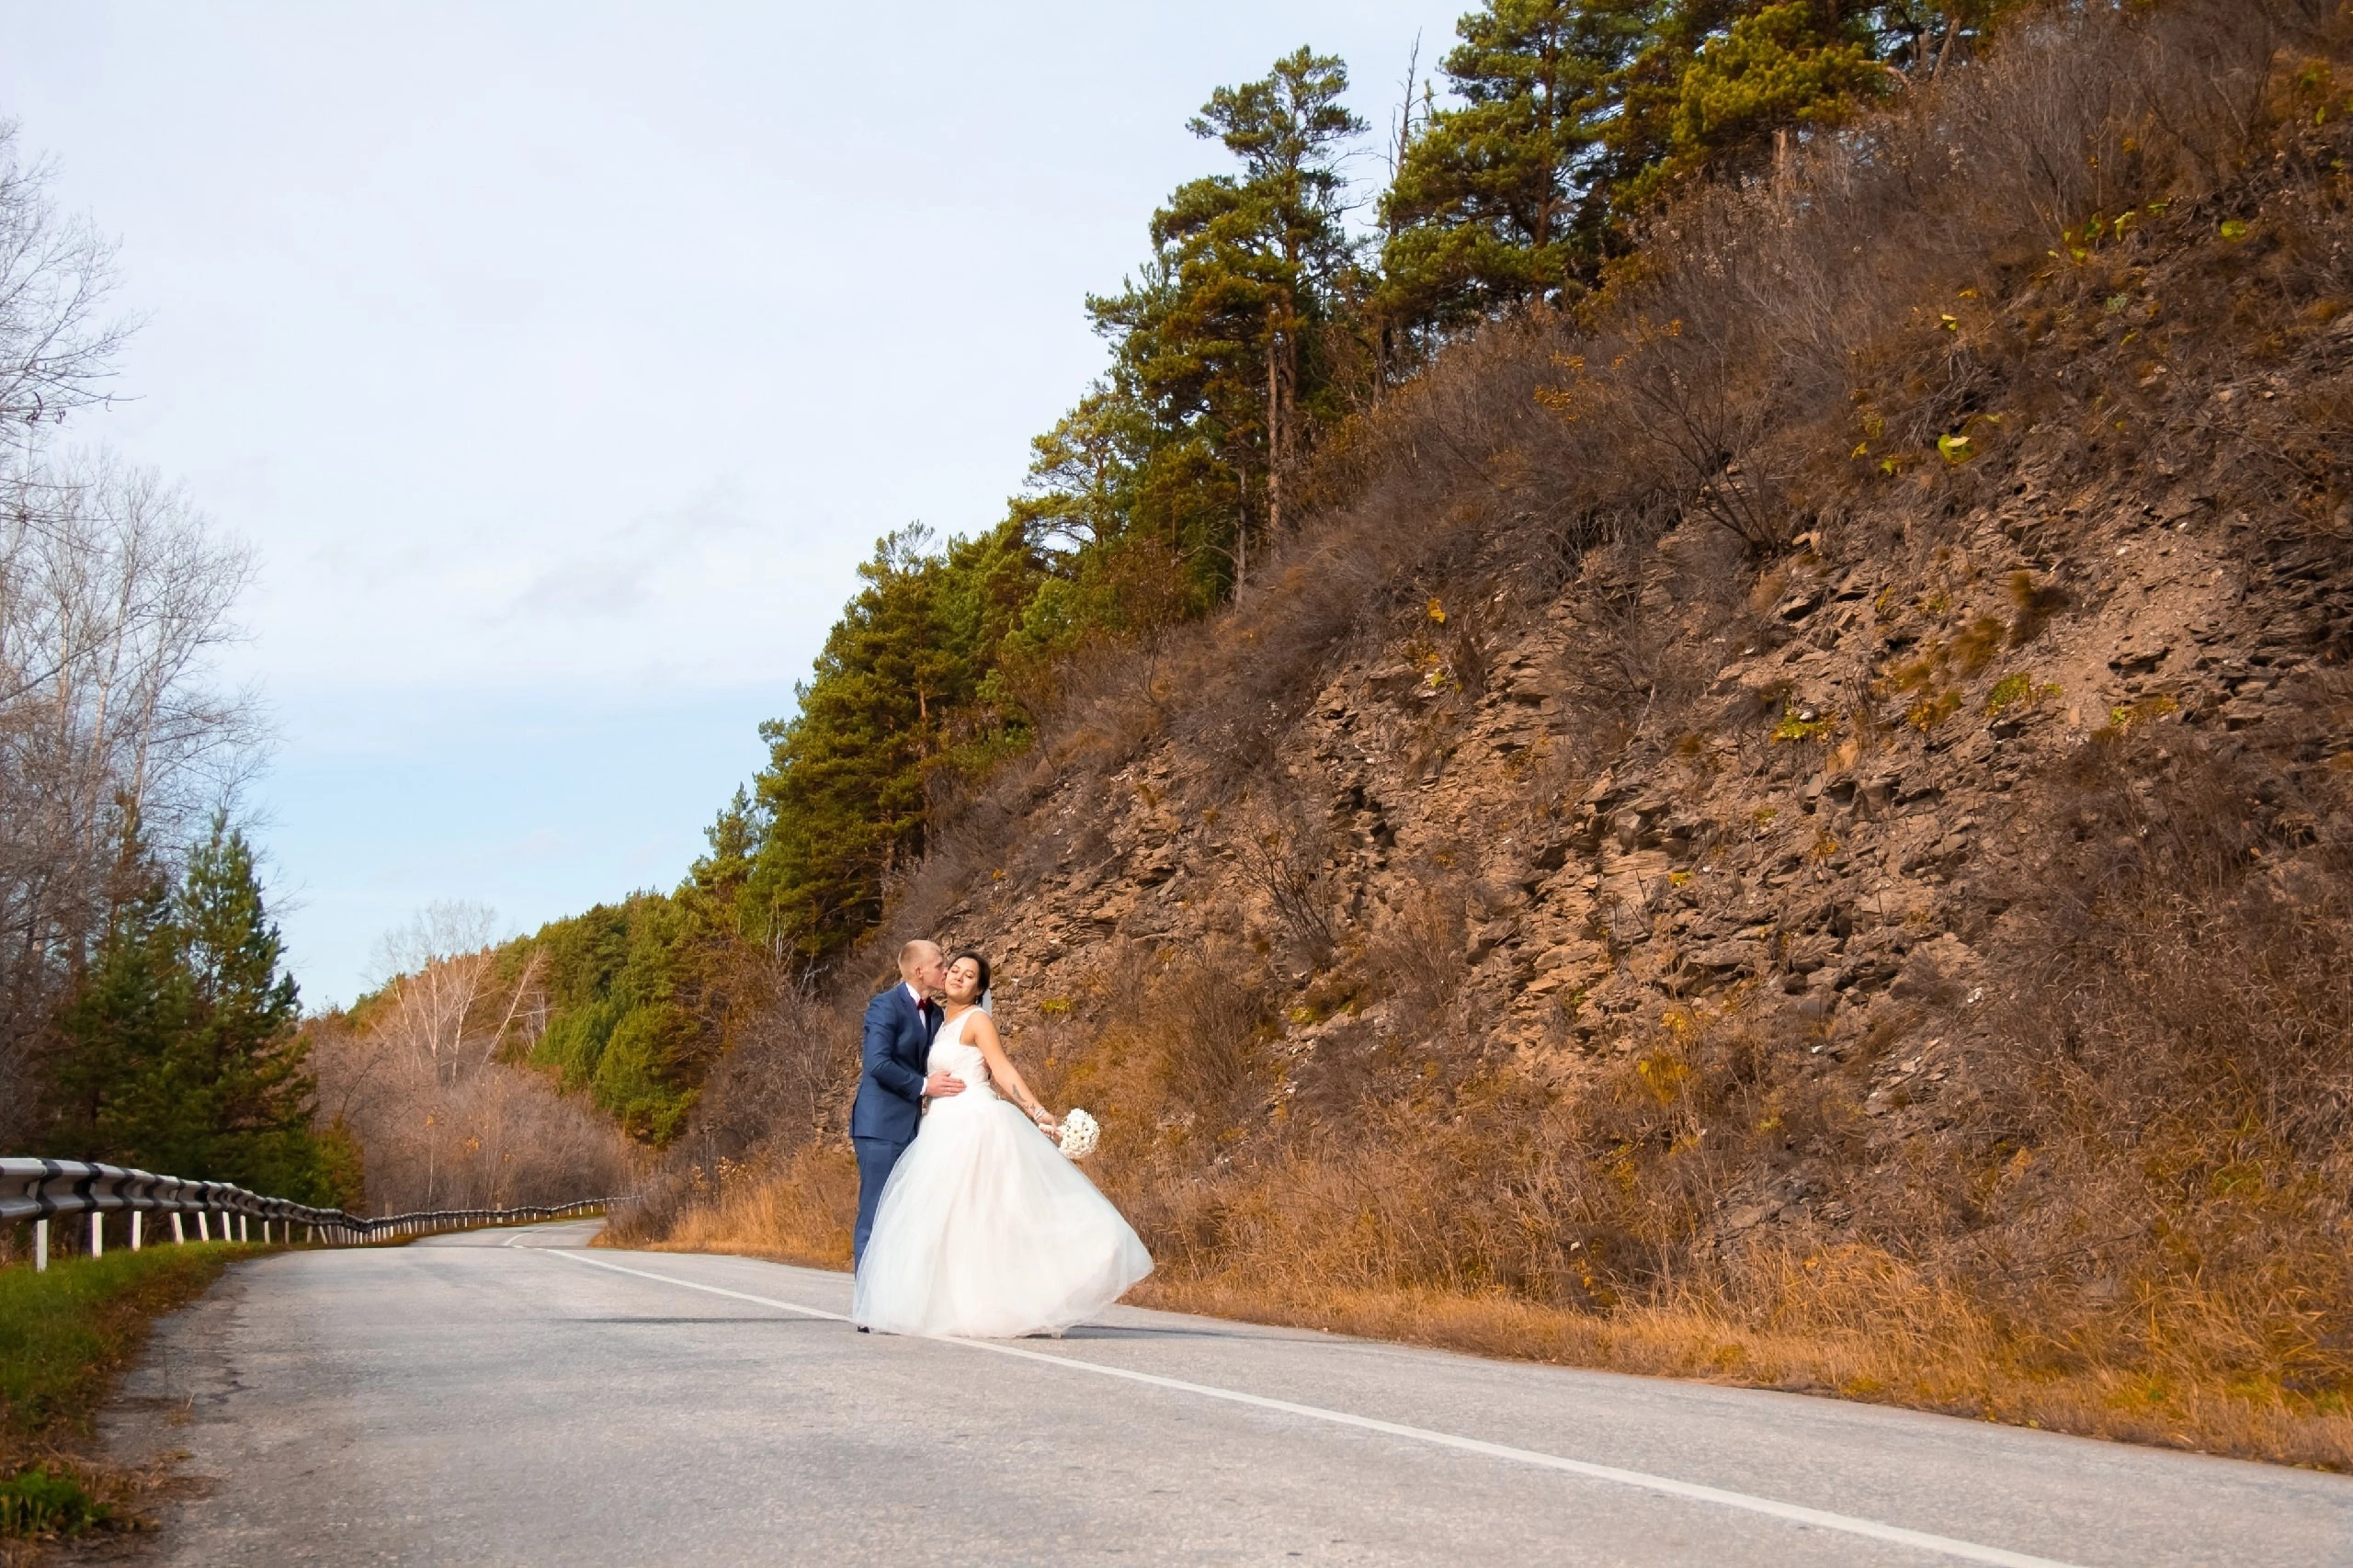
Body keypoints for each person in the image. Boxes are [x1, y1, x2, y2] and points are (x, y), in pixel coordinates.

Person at [852, 950, 1151, 1338]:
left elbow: (1002, 1067)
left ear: (980, 988)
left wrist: (1037, 1111)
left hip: (973, 1124)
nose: (957, 976)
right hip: (940, 1127)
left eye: (968, 974)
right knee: (951, 1224)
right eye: (954, 969)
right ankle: (947, 1306)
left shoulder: (978, 1020)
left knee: (988, 1216)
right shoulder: (942, 1021)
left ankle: (1008, 1300)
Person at [850, 940, 966, 1268]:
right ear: (919, 971)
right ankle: (867, 1307)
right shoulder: (884, 1006)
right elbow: (878, 1063)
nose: (946, 970)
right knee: (875, 1212)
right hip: (880, 1126)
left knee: (908, 1217)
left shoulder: (937, 1013)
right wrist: (925, 1086)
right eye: (940, 965)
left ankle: (897, 1302)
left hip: (919, 1130)